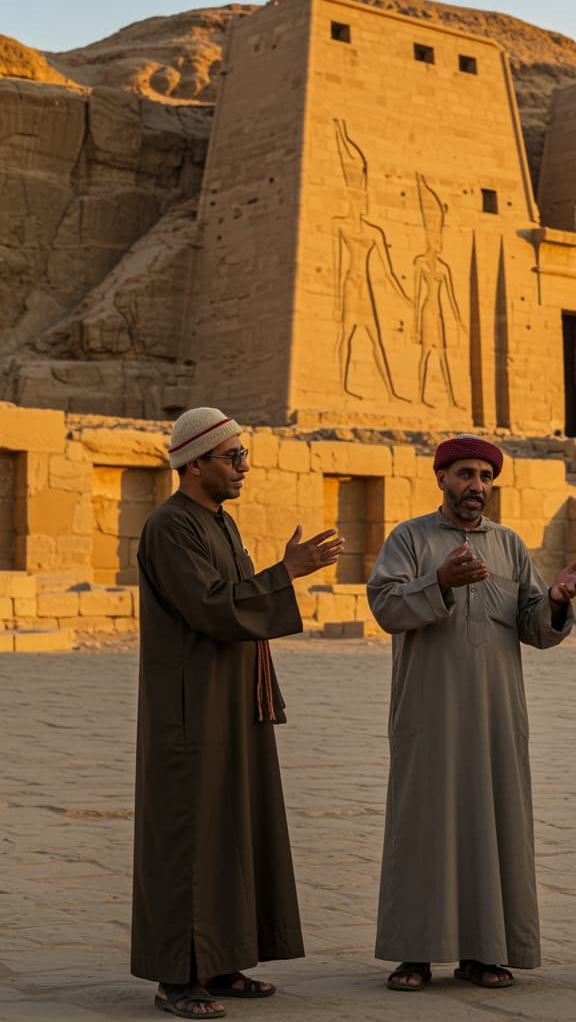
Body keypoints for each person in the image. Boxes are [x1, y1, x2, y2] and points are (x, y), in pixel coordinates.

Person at [132, 407, 344, 1019]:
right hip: (191, 713)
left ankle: (221, 962)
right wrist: (288, 573)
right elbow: (212, 607)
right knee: (188, 839)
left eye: (244, 456)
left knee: (231, 832)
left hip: (232, 705)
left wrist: (279, 574)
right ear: (194, 463)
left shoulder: (220, 524)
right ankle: (177, 977)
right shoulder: (171, 527)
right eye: (233, 458)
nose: (244, 468)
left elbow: (239, 602)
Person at [366, 434, 576, 993]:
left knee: (495, 830)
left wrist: (559, 599)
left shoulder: (510, 546)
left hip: (495, 719)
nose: (477, 486)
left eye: (485, 477)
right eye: (465, 474)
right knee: (422, 830)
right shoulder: (410, 539)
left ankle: (487, 951)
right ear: (441, 478)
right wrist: (438, 581)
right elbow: (385, 606)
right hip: (428, 716)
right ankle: (413, 954)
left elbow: (535, 626)